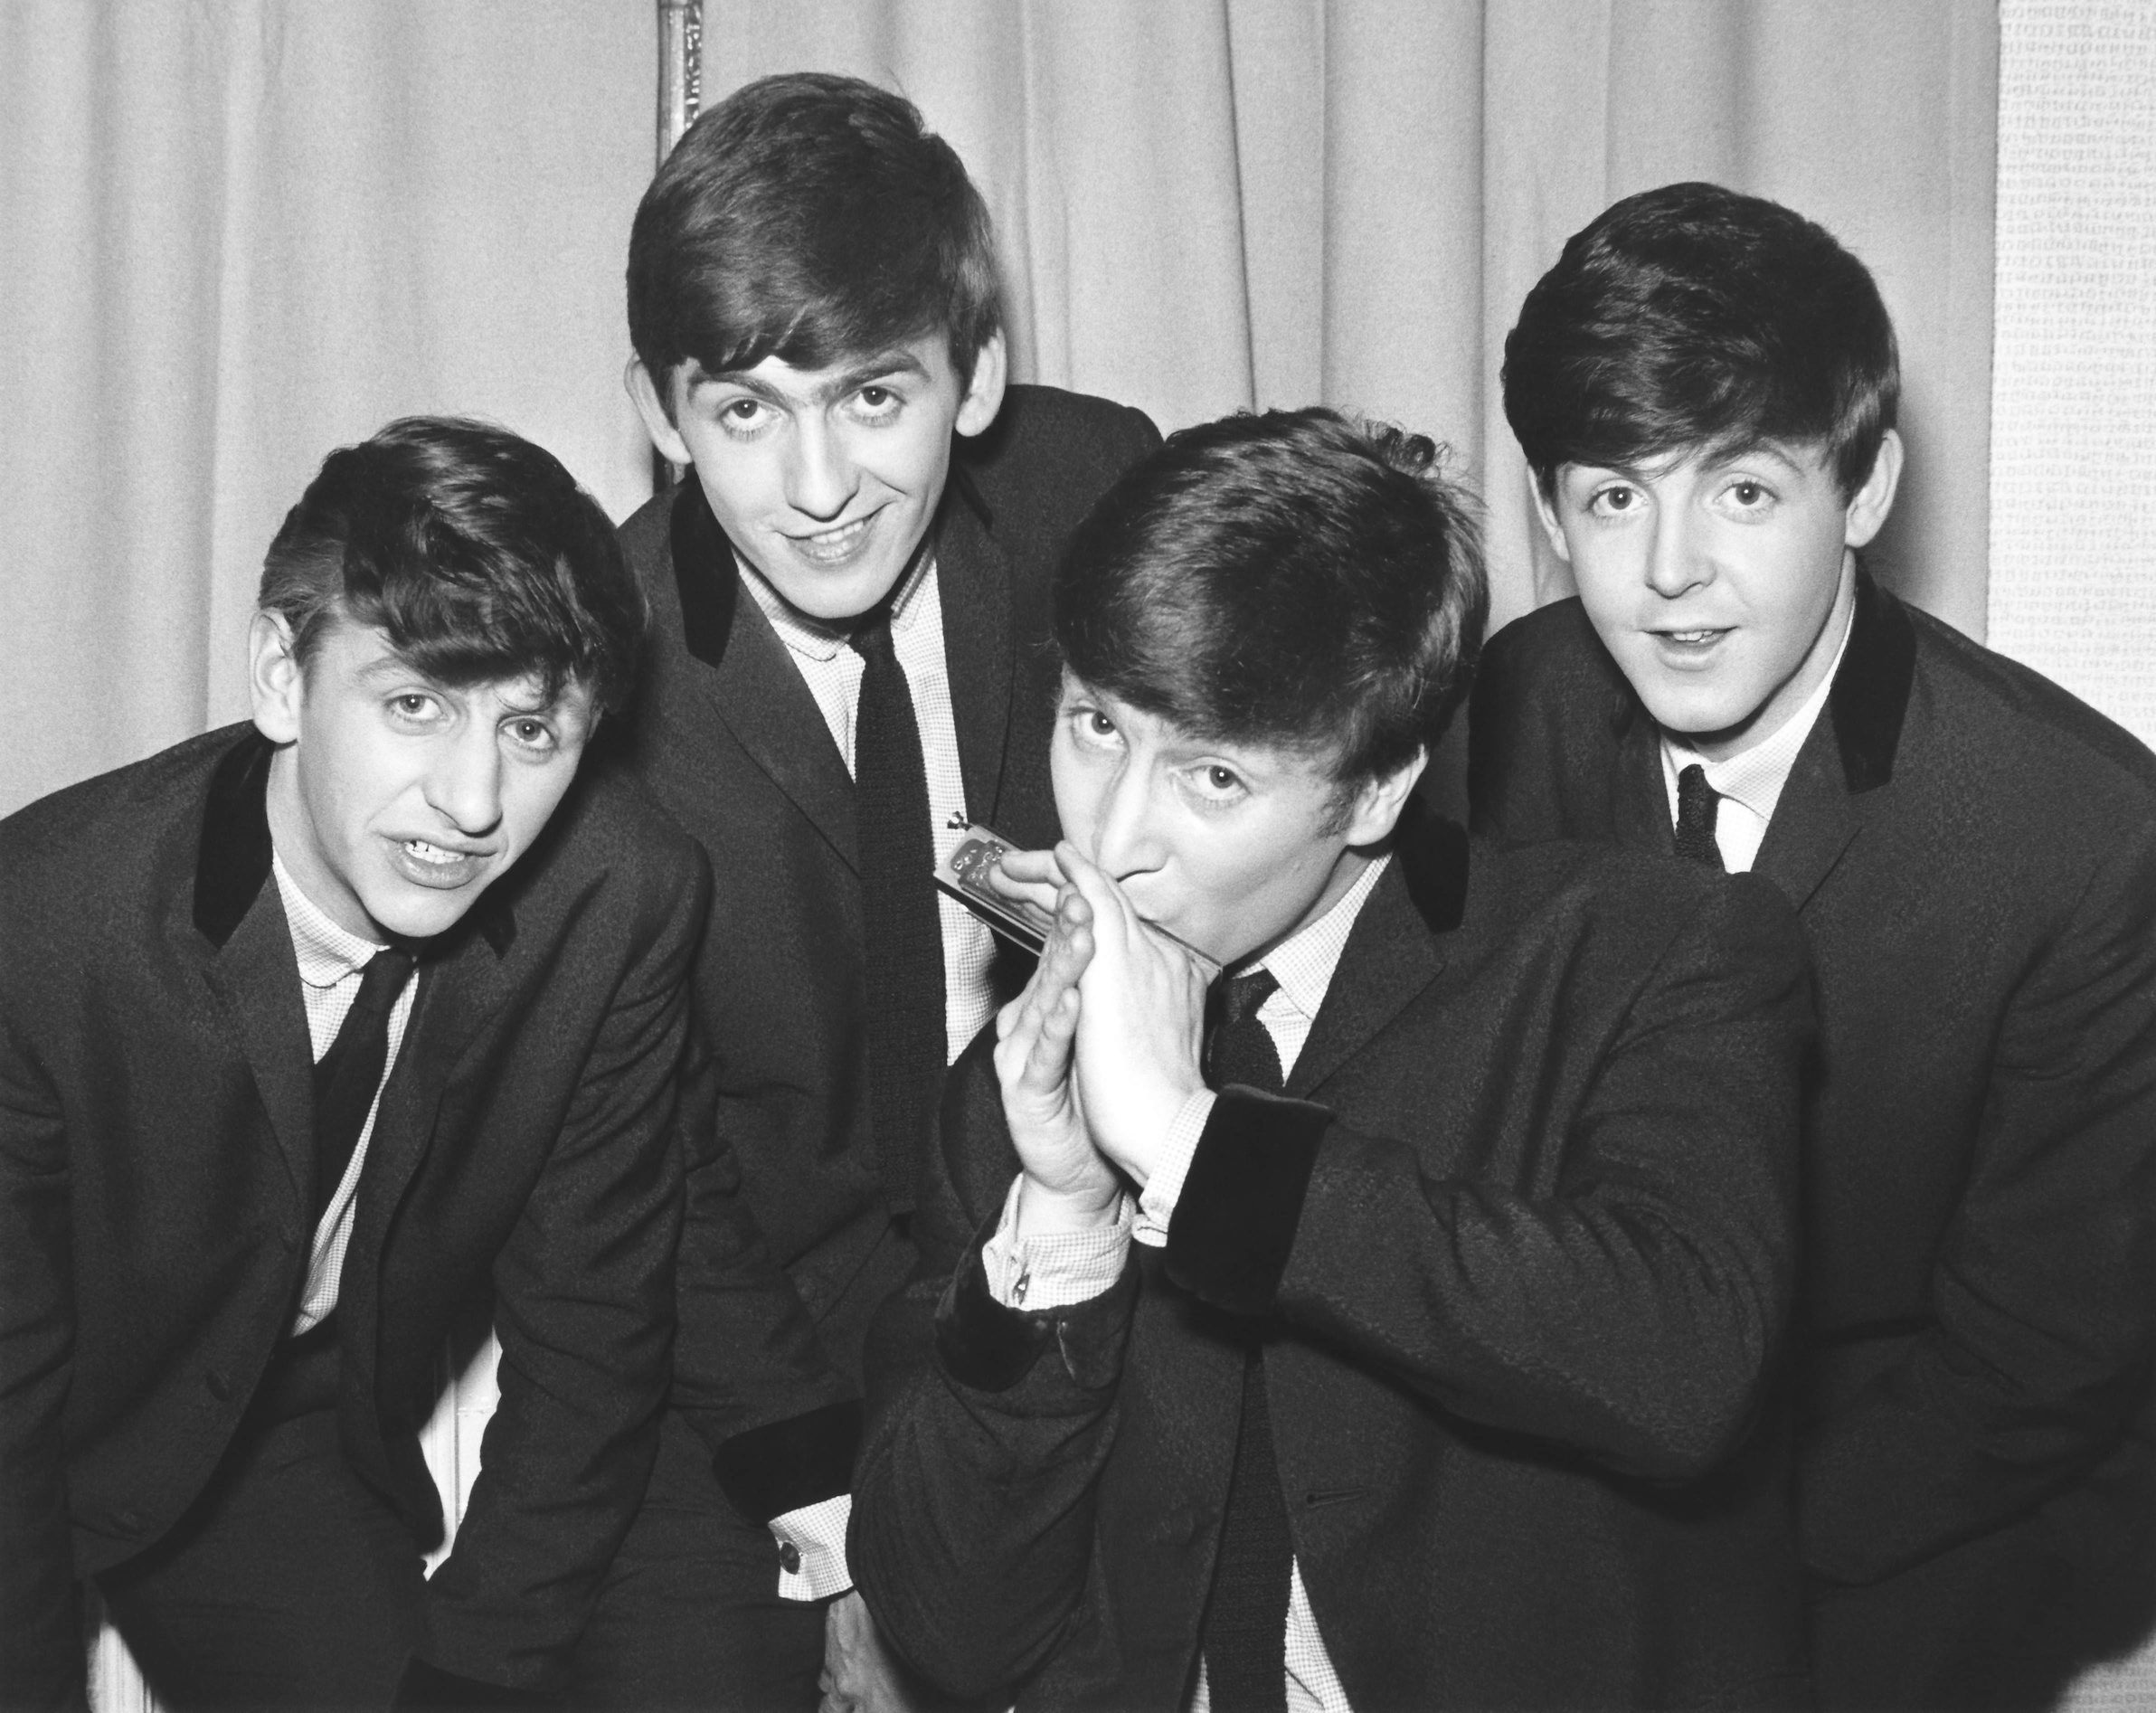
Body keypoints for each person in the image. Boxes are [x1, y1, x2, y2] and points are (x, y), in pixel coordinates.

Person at [848, 407, 1817, 1709]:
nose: (1115, 836)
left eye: (1213, 780)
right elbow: (949, 1626)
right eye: (1094, 726)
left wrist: (1195, 1146)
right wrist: (1066, 1218)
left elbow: (1685, 1368)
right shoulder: (1019, 1079)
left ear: (1374, 790)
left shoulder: (1649, 957)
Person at [0, 416, 842, 1708]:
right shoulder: (46, 926)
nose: (471, 801)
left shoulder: (619, 899)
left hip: (271, 1446)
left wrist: (477, 1681)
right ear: (283, 675)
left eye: (532, 731)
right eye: (414, 705)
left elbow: (591, 1339)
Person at [1470, 181, 2156, 1710]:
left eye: (1744, 493)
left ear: (1864, 488)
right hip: (1581, 1427)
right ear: (1547, 510)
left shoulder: (2083, 834)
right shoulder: (1497, 713)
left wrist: (1703, 1554)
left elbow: (2037, 1358)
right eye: (1612, 495)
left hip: (1932, 1487)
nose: (1669, 571)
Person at [583, 70, 1160, 1710]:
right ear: (660, 410)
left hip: (1075, 1284)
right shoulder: (596, 666)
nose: (821, 485)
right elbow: (648, 1173)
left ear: (972, 380)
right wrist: (838, 1543)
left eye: (874, 398)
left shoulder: (1095, 496)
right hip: (734, 1363)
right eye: (748, 413)